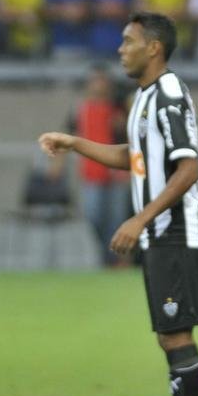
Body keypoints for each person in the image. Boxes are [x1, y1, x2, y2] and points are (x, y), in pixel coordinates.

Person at [38, 12, 198, 396]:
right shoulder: (144, 98)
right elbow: (131, 156)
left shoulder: (169, 93)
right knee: (168, 334)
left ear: (153, 47)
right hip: (161, 231)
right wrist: (75, 142)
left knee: (175, 333)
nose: (120, 49)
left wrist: (139, 218)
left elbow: (189, 167)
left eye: (128, 41)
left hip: (174, 229)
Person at [55, 64, 129, 267]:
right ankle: (109, 256)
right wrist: (57, 165)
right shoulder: (81, 109)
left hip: (117, 172)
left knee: (116, 220)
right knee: (94, 216)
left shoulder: (119, 108)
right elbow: (67, 136)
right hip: (91, 172)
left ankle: (117, 260)